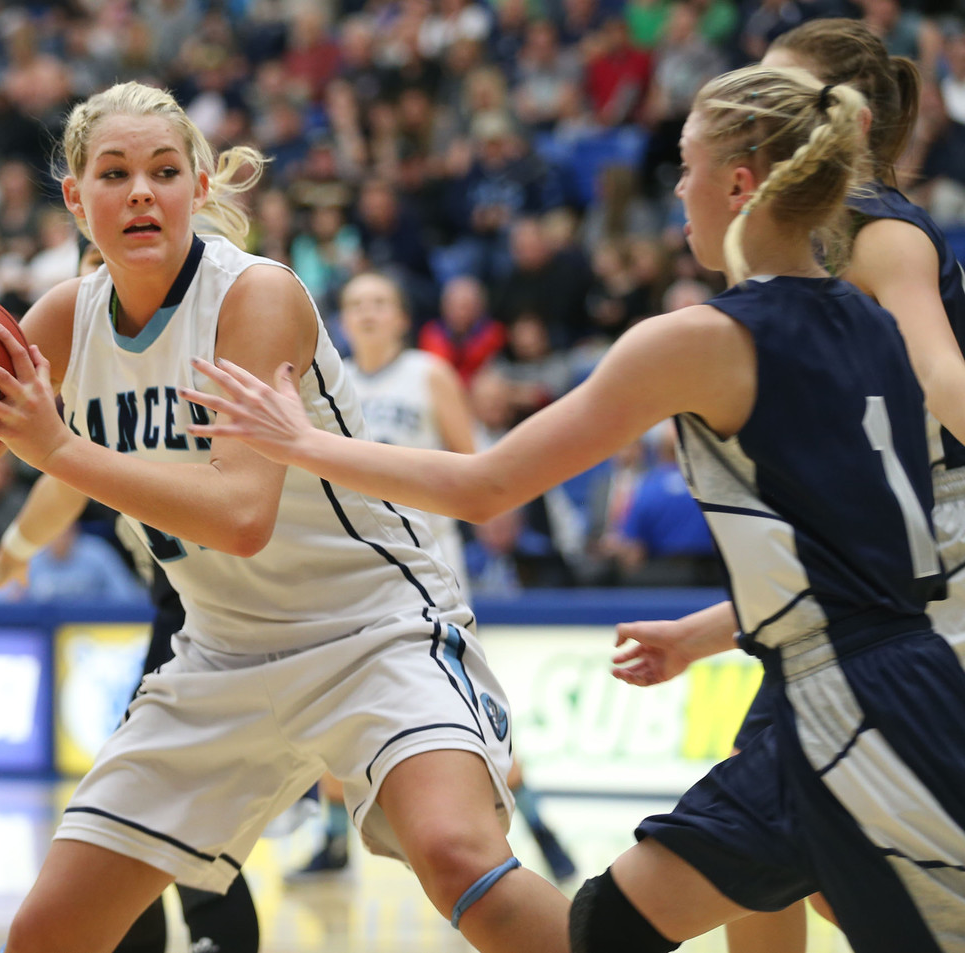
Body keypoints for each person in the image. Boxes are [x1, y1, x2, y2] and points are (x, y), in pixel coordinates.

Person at [183, 65, 965, 952]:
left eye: (686, 166)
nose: (676, 189)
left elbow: (487, 485)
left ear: (739, 184)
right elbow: (868, 554)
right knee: (601, 929)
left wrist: (301, 441)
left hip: (862, 713)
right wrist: (703, 634)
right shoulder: (873, 322)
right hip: (847, 691)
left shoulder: (701, 338)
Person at [0, 81, 567, 953]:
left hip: (369, 631)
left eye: (164, 172)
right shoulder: (63, 321)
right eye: (114, 174)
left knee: (462, 861)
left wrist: (58, 448)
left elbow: (242, 515)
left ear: (199, 187)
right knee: (47, 934)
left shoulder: (255, 295)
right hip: (221, 652)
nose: (141, 193)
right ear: (76, 199)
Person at [614, 17, 965, 953]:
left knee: (789, 859)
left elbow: (944, 378)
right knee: (784, 868)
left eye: (783, 94)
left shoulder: (877, 233)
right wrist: (703, 633)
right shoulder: (803, 274)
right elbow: (835, 549)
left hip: (940, 587)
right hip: (894, 585)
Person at [0, 239, 262, 953]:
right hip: (187, 601)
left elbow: (69, 472)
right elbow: (65, 481)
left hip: (249, 594)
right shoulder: (89, 345)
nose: (109, 279)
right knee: (148, 805)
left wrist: (14, 548)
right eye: (93, 265)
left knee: (152, 804)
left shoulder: (210, 338)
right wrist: (10, 555)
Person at [290, 269, 576, 886]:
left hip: (426, 569)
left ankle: (537, 826)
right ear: (342, 320)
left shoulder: (429, 373)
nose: (367, 312)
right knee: (331, 701)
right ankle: (334, 843)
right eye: (356, 303)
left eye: (380, 301)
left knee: (466, 710)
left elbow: (473, 466)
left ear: (401, 318)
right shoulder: (329, 381)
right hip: (349, 569)